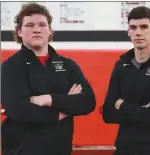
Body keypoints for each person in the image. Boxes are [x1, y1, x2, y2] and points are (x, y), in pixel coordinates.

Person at [1, 3, 96, 155]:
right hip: (21, 150)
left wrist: (48, 99)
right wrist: (64, 111)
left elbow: (88, 102)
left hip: (60, 149)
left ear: (50, 31)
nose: (37, 29)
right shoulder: (10, 67)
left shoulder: (68, 65)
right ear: (19, 31)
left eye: (42, 24)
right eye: (30, 25)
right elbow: (19, 110)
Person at [102, 6, 150, 155]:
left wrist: (121, 104)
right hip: (125, 148)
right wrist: (143, 110)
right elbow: (108, 114)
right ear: (128, 31)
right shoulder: (121, 64)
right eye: (133, 27)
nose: (138, 32)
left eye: (144, 27)